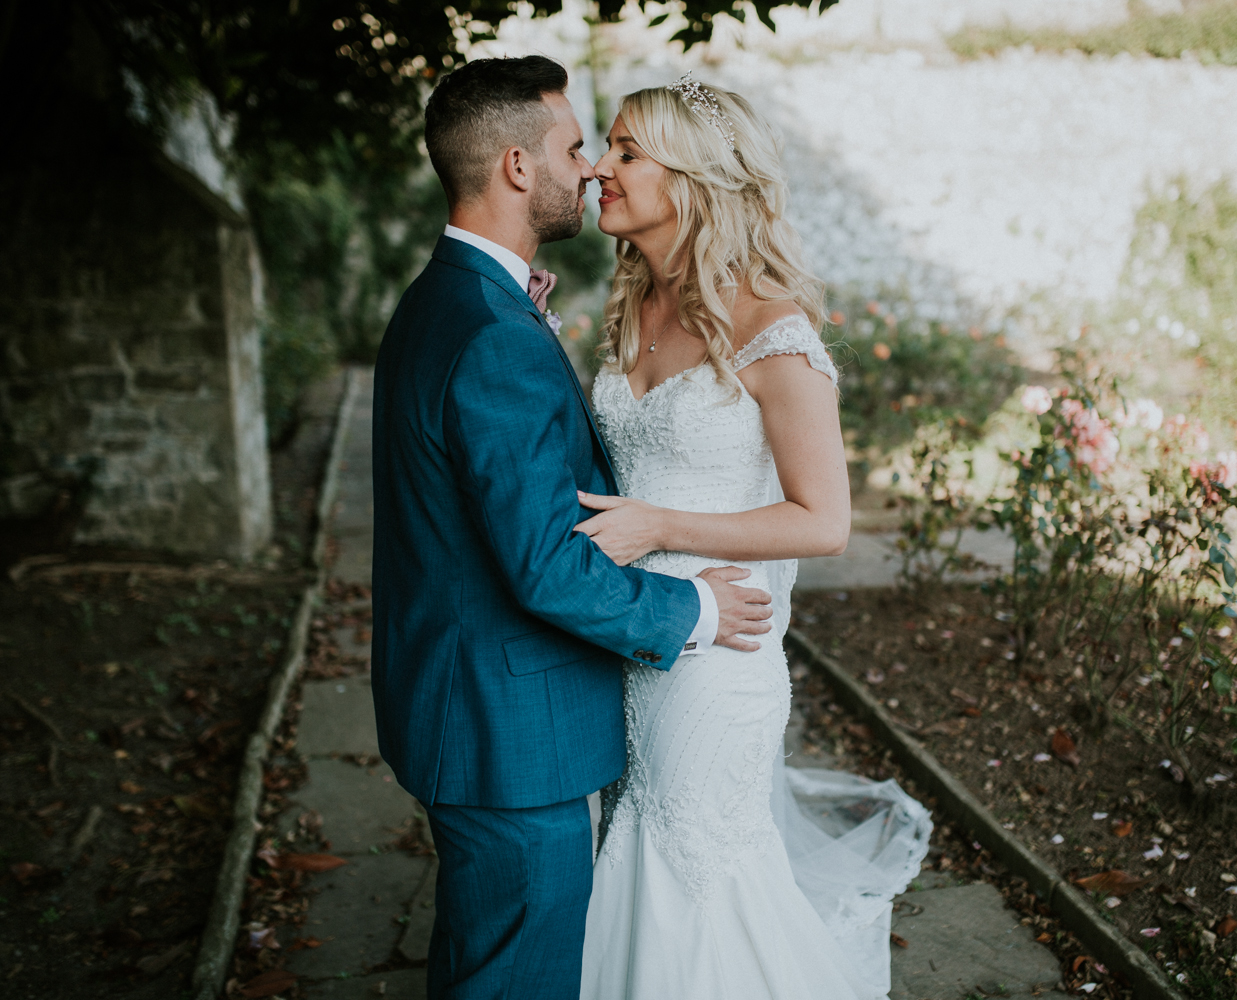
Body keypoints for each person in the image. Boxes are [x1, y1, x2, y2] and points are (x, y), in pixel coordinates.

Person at [370, 56, 776, 1000]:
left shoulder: (451, 299)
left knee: (492, 966)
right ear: (518, 167)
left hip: (465, 707)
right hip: (509, 735)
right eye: (576, 146)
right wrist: (697, 614)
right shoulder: (492, 329)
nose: (590, 168)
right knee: (516, 981)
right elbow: (545, 564)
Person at [572, 76, 933, 999]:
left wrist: (662, 526)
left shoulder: (775, 330)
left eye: (625, 152)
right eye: (606, 149)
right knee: (634, 847)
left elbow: (825, 520)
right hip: (634, 627)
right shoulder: (631, 311)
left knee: (695, 871)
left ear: (692, 179)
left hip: (720, 649)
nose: (598, 169)